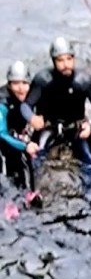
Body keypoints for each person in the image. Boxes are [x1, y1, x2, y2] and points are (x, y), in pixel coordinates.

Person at [26, 36, 91, 193]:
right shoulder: (43, 80)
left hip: (76, 127)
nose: (65, 64)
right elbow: (26, 106)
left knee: (89, 163)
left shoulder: (84, 81)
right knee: (35, 158)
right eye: (60, 60)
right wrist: (32, 118)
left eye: (69, 59)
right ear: (54, 61)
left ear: (74, 59)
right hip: (49, 127)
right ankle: (34, 192)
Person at [0, 61, 41, 207]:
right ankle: (7, 203)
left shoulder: (33, 95)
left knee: (27, 162)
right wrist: (25, 146)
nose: (21, 88)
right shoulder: (3, 101)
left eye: (24, 83)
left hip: (17, 135)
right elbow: (2, 134)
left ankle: (31, 193)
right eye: (16, 83)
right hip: (3, 139)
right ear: (9, 84)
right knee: (5, 169)